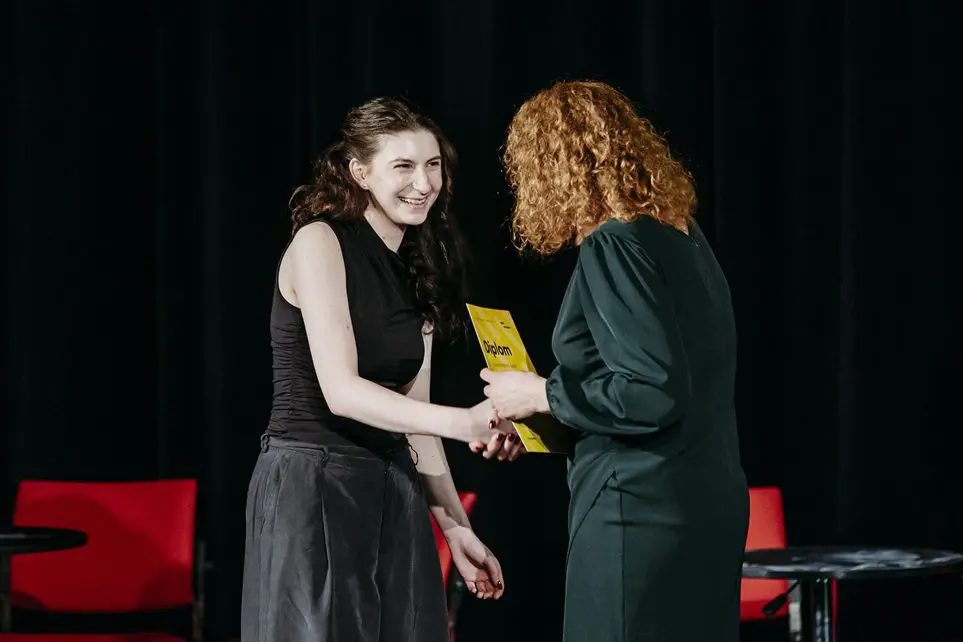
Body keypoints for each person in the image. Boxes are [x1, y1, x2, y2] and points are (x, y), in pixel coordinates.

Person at [241, 96, 521, 642]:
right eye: (403, 166)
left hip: (392, 489)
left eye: (433, 165)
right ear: (360, 172)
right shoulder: (319, 241)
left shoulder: (418, 264)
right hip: (314, 484)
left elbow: (415, 416)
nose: (423, 182)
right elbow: (342, 392)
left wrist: (455, 527)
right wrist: (468, 421)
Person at [480, 80, 750, 642]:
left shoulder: (614, 244)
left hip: (639, 511)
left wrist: (538, 393)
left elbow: (652, 392)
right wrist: (541, 420)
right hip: (708, 500)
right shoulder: (683, 237)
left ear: (551, 167)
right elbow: (667, 386)